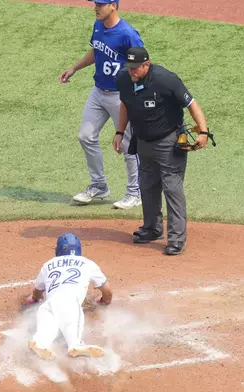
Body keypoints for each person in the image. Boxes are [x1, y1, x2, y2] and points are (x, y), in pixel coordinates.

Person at [113, 47, 212, 255]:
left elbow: (192, 104)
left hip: (168, 141)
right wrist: (119, 132)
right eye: (129, 67)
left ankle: (176, 238)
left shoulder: (165, 80)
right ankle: (152, 229)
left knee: (172, 188)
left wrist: (203, 131)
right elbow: (125, 105)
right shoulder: (123, 79)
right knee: (147, 185)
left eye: (135, 68)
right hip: (143, 142)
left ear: (146, 65)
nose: (131, 71)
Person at [60, 0, 144, 209]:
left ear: (113, 6)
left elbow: (142, 63)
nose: (96, 7)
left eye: (101, 4)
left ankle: (135, 192)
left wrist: (136, 93)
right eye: (96, 3)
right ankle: (99, 185)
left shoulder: (127, 33)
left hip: (120, 97)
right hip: (98, 92)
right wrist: (75, 67)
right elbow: (96, 51)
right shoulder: (98, 26)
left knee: (127, 145)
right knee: (85, 136)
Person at [24, 233, 113, 360]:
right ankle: (76, 344)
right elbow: (107, 291)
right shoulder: (87, 263)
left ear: (58, 250)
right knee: (72, 323)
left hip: (48, 304)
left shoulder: (48, 264)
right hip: (70, 301)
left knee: (47, 327)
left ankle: (40, 343)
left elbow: (37, 291)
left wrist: (34, 299)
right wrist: (105, 301)